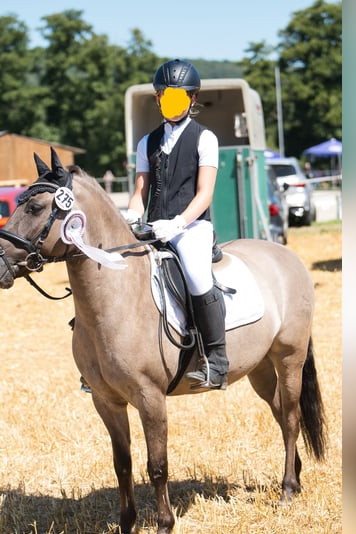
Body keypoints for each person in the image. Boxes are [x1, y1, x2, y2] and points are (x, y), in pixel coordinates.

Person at [124, 59, 228, 390]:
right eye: (164, 96)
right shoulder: (146, 142)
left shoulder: (205, 139)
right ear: (157, 98)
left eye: (179, 97)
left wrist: (179, 223)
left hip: (192, 226)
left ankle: (216, 361)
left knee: (197, 277)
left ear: (192, 99)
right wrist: (130, 215)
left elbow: (205, 194)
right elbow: (140, 190)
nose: (170, 102)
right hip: (154, 226)